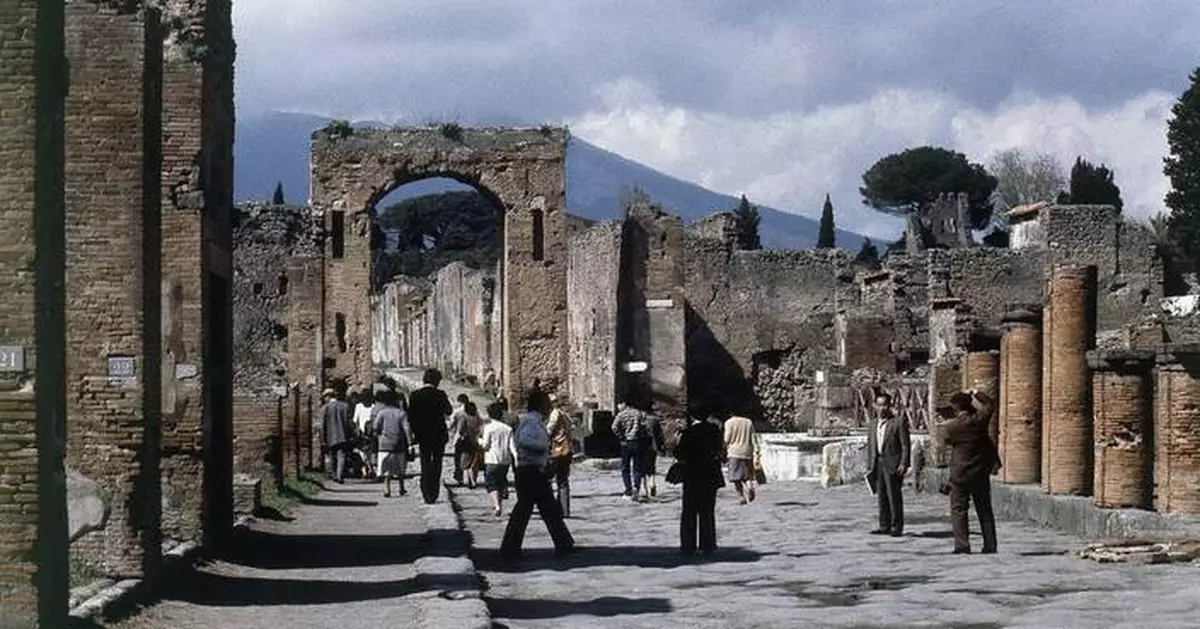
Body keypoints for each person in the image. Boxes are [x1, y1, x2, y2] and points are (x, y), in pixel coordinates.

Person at [499, 389, 576, 560]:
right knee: (525, 510)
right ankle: (510, 547)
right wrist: (543, 445)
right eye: (546, 402)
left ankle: (564, 543)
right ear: (540, 404)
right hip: (530, 471)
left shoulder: (535, 421)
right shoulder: (531, 422)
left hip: (534, 470)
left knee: (545, 509)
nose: (549, 405)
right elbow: (524, 440)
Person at [942, 389, 999, 554]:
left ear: (955, 408)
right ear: (970, 405)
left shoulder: (952, 427)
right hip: (980, 471)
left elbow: (946, 442)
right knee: (984, 508)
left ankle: (962, 545)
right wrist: (975, 392)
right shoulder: (980, 421)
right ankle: (990, 544)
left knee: (959, 509)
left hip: (960, 474)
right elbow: (989, 404)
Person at [675, 415, 725, 557]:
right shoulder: (714, 431)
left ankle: (688, 545)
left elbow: (680, 453)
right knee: (707, 511)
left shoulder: (688, 432)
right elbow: (719, 450)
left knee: (689, 511)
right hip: (710, 474)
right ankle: (707, 544)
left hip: (692, 475)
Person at [866, 392, 910, 537]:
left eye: (885, 405)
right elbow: (871, 445)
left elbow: (905, 444)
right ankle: (884, 525)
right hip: (877, 462)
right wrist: (869, 465)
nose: (882, 408)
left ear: (890, 406)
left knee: (894, 496)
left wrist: (904, 463)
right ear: (874, 406)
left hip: (893, 462)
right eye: (879, 405)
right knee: (882, 495)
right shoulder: (872, 424)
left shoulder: (898, 422)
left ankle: (896, 526)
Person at [407, 368, 452, 504]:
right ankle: (434, 493)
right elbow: (449, 411)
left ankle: (426, 492)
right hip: (439, 435)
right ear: (437, 381)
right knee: (437, 464)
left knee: (425, 463)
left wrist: (415, 432)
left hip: (422, 435)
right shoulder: (440, 394)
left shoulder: (414, 395)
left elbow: (410, 417)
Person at [479, 402, 516, 517]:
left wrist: (478, 441)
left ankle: (497, 506)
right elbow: (512, 446)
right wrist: (516, 458)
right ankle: (499, 504)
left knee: (491, 483)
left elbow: (485, 445)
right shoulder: (508, 429)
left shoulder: (488, 428)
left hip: (492, 459)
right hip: (505, 460)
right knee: (500, 482)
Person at [373, 388, 411, 497]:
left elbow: (376, 426)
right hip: (399, 444)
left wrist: (378, 436)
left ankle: (386, 488)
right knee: (400, 467)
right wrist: (410, 442)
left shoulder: (382, 413)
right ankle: (401, 487)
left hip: (384, 443)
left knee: (386, 468)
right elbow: (406, 429)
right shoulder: (401, 413)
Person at [613, 398, 652, 501]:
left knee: (625, 468)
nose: (618, 406)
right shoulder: (639, 413)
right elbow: (645, 427)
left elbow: (614, 427)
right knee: (637, 467)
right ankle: (636, 487)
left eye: (619, 404)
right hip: (638, 442)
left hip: (626, 443)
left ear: (624, 403)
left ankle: (628, 489)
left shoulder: (621, 415)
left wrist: (621, 437)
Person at [545, 394, 574, 517]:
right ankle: (563, 509)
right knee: (563, 481)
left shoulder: (555, 414)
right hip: (566, 450)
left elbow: (549, 430)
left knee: (548, 480)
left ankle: (552, 508)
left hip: (557, 450)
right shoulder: (565, 414)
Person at [319, 387, 354, 483]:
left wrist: (323, 438)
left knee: (332, 456)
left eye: (324, 397)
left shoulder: (325, 408)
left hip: (330, 436)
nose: (324, 399)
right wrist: (350, 434)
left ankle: (334, 474)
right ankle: (339, 475)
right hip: (342, 435)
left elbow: (323, 425)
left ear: (328, 396)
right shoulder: (345, 406)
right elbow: (348, 422)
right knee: (341, 456)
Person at [723, 412, 758, 504]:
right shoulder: (748, 422)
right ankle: (750, 487)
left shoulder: (729, 422)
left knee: (736, 477)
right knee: (747, 474)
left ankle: (741, 496)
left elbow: (727, 438)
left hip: (734, 452)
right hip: (747, 451)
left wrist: (723, 447)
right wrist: (757, 449)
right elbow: (753, 437)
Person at [641, 409, 666, 500]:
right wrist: (662, 446)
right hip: (653, 446)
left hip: (642, 447)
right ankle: (652, 483)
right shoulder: (655, 420)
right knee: (651, 466)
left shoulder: (640, 419)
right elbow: (660, 435)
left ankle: (646, 491)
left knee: (642, 469)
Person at [353, 386, 376, 479]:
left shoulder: (358, 406)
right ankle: (370, 468)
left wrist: (356, 430)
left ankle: (366, 470)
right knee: (370, 452)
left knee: (363, 452)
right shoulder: (373, 406)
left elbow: (355, 420)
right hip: (371, 432)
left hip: (363, 433)